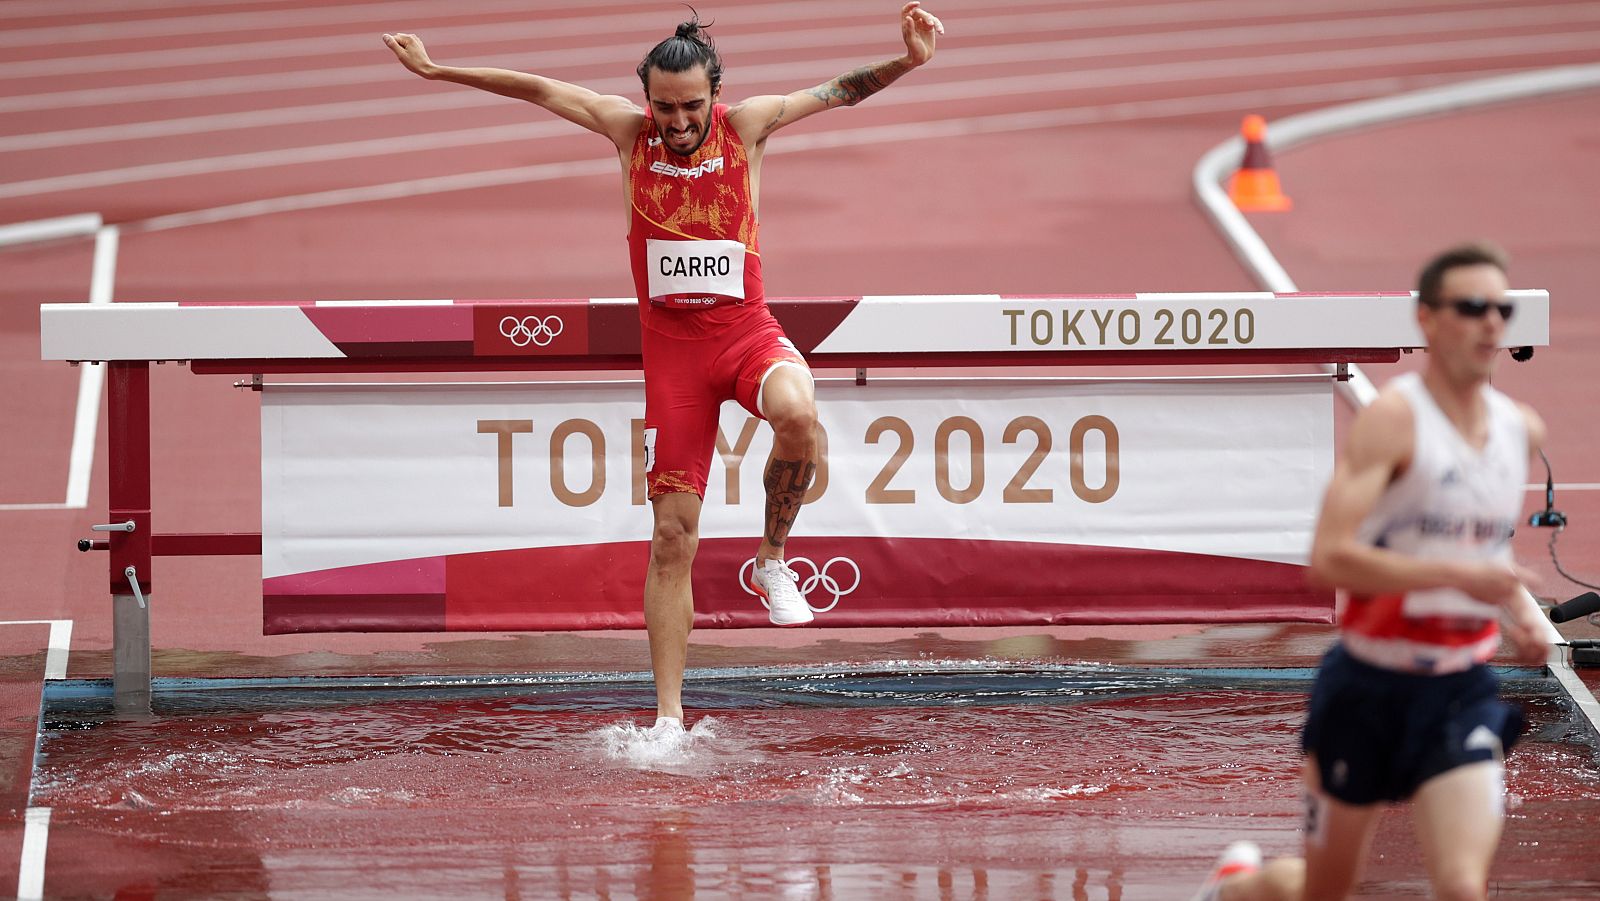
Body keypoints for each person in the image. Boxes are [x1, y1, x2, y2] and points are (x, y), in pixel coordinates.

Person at [383, 4, 945, 730]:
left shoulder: (749, 126)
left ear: (715, 93)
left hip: (747, 334)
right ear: (646, 98)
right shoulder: (628, 133)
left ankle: (773, 557)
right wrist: (437, 68)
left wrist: (909, 61)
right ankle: (669, 718)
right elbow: (540, 90)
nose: (677, 122)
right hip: (674, 361)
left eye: (690, 107)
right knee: (672, 536)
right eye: (664, 106)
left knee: (800, 414)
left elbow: (839, 90)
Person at [1194, 243, 1550, 901]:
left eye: (1501, 308)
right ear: (1427, 320)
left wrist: (1525, 617)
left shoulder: (1518, 430)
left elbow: (1486, 549)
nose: (1491, 324)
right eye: (1471, 307)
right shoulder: (1394, 422)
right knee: (1326, 891)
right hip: (1366, 688)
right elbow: (1328, 558)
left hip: (1460, 688)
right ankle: (1237, 887)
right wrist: (1451, 575)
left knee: (1463, 887)